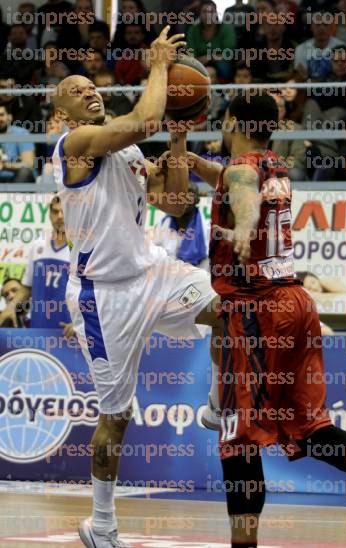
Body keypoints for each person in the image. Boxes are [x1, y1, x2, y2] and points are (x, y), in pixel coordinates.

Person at [187, 92, 346, 548]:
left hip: (257, 310)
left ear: (234, 121)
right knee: (313, 427)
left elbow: (242, 193)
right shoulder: (275, 167)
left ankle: (243, 544)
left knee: (237, 436)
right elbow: (234, 180)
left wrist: (243, 228)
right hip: (296, 305)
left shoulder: (243, 170)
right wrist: (194, 164)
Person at [50, 27, 222, 547]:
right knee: (117, 418)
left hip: (152, 272)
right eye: (76, 91)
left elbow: (175, 203)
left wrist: (176, 138)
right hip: (103, 296)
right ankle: (100, 526)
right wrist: (160, 64)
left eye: (91, 86)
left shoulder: (124, 152)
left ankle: (216, 403)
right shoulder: (74, 144)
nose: (88, 92)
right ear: (63, 113)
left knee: (230, 309)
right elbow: (143, 117)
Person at [0, 196, 73, 334]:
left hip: (68, 331)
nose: (60, 216)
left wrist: (80, 324)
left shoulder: (80, 249)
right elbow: (27, 288)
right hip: (38, 329)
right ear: (50, 214)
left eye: (64, 211)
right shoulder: (38, 244)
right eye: (55, 212)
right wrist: (10, 307)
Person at [152, 182, 210, 270]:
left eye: (190, 193)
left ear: (198, 199)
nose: (184, 197)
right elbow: (154, 256)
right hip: (167, 276)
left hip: (197, 277)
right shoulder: (162, 225)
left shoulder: (207, 228)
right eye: (181, 193)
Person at [186, 0, 237, 80]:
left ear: (216, 13)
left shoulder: (227, 28)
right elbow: (191, 54)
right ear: (199, 14)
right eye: (204, 12)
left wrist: (209, 57)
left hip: (222, 64)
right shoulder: (193, 30)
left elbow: (228, 54)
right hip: (199, 64)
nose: (208, 15)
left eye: (211, 11)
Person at [294, 11, 346, 79]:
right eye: (318, 24)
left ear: (331, 27)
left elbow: (343, 75)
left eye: (325, 25)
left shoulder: (342, 47)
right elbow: (301, 76)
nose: (322, 28)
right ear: (311, 27)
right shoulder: (300, 49)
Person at [0, 104, 35, 183]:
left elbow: (29, 164)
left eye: (1, 115)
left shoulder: (21, 134)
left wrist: (4, 166)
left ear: (9, 117)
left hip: (16, 177)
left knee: (25, 172)